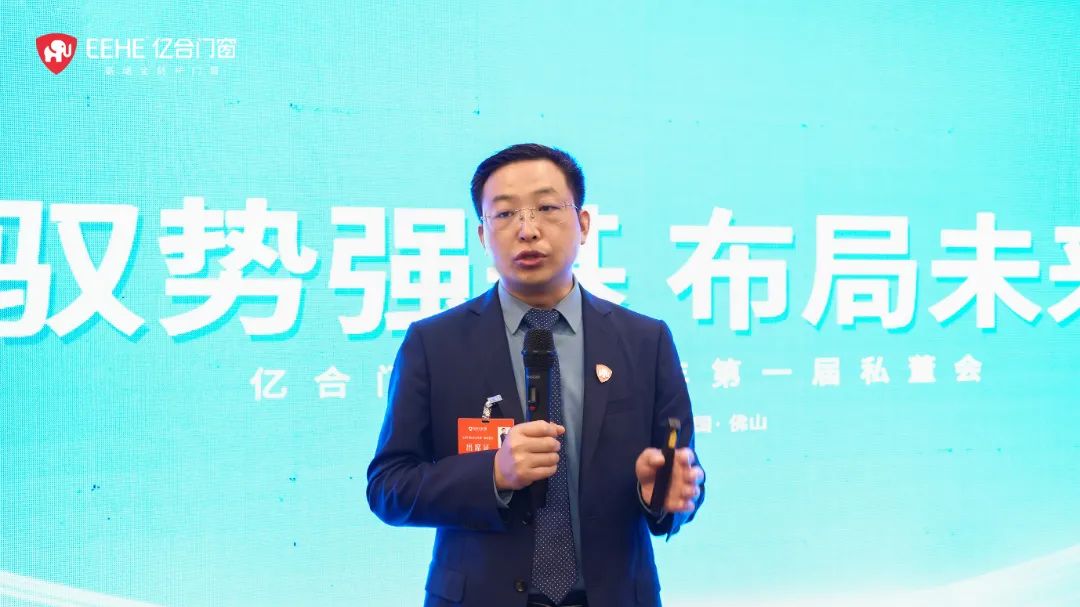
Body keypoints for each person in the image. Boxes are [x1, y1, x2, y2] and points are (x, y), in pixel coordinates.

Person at [367, 143, 705, 607]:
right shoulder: (434, 344)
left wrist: (662, 496)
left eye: (547, 208)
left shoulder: (646, 341)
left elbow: (681, 480)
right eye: (505, 214)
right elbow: (388, 487)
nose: (527, 230)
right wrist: (493, 473)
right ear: (483, 234)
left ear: (583, 224)